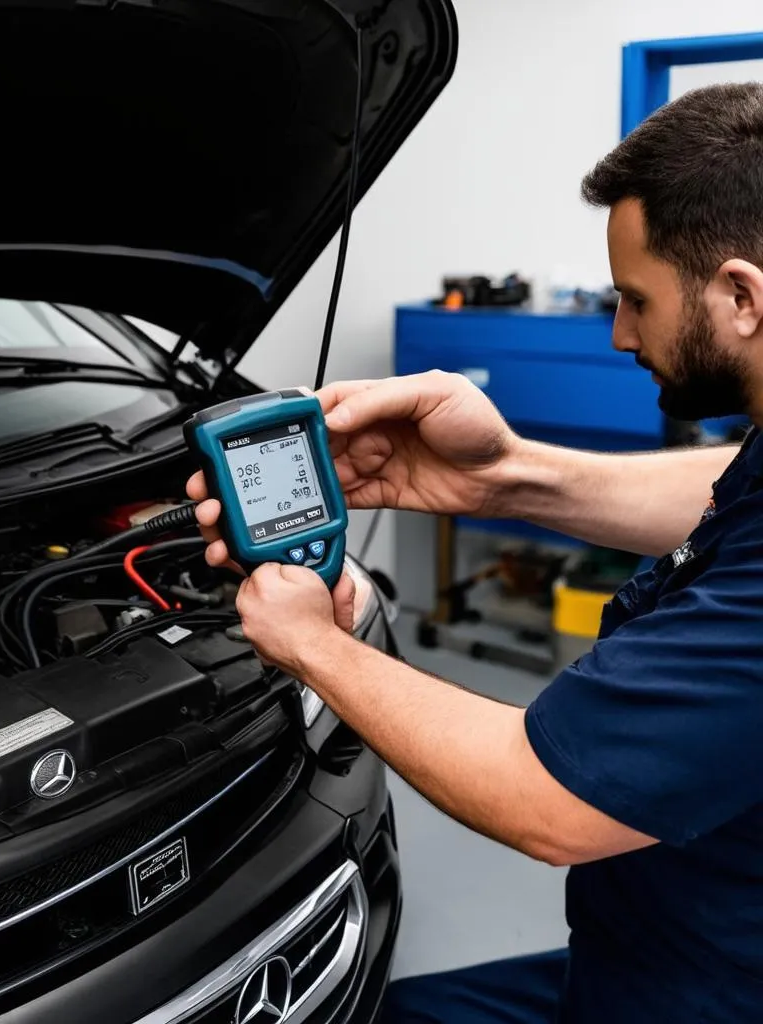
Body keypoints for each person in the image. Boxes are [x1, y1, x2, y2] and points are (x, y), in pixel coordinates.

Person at [186, 81, 763, 1023]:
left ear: (740, 296)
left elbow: (545, 800)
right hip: (652, 940)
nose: (619, 334)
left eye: (635, 300)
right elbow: (723, 486)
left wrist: (316, 647)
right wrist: (501, 475)